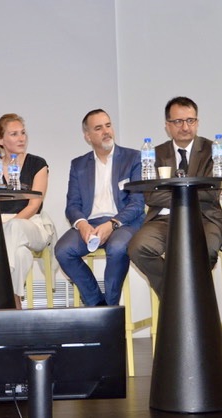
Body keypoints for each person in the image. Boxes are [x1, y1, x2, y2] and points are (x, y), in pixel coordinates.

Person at [128, 96, 222, 299]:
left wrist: (173, 191)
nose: (185, 127)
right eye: (178, 122)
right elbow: (151, 194)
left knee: (205, 250)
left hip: (204, 217)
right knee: (139, 247)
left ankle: (187, 304)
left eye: (190, 120)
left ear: (197, 122)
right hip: (164, 220)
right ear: (167, 126)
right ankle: (178, 300)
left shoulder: (212, 150)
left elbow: (212, 191)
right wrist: (192, 191)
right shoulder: (154, 154)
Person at [54, 109, 145, 306]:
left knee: (118, 247)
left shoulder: (133, 158)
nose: (106, 131)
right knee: (63, 250)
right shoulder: (78, 165)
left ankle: (110, 308)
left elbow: (137, 204)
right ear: (88, 136)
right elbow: (72, 205)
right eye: (98, 128)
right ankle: (97, 306)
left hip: (123, 223)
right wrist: (82, 224)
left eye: (108, 125)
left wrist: (112, 224)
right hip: (91, 223)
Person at [0, 113, 53, 309]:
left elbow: (33, 205)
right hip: (5, 227)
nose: (21, 138)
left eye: (23, 133)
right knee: (20, 255)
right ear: (0, 140)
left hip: (31, 223)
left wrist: (4, 227)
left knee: (13, 227)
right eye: (14, 134)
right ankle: (14, 302)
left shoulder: (38, 164)